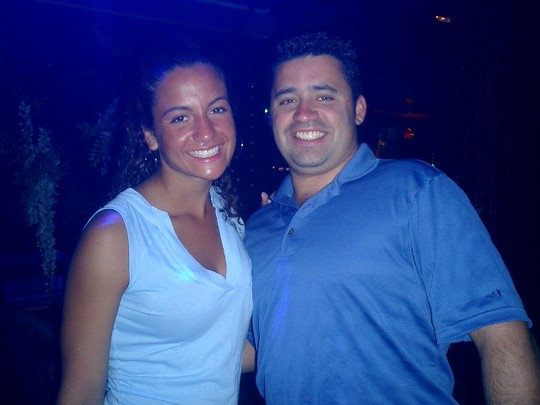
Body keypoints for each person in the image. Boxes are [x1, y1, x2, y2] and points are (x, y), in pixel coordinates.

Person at [243, 31, 540, 404]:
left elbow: (500, 332)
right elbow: (255, 348)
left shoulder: (417, 190)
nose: (304, 113)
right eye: (288, 99)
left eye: (324, 96)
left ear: (358, 109)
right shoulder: (256, 228)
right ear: (272, 115)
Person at [57, 48, 252, 404]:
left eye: (217, 109)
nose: (206, 131)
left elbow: (220, 354)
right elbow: (81, 390)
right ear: (150, 135)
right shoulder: (115, 235)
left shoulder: (228, 215)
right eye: (180, 118)